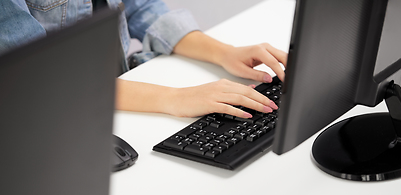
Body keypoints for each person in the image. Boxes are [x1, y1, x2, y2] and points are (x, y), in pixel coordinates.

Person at [0, 0, 287, 119]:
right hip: (52, 117)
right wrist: (175, 99)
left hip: (118, 99)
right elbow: (37, 78)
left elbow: (142, 8)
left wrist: (224, 52)